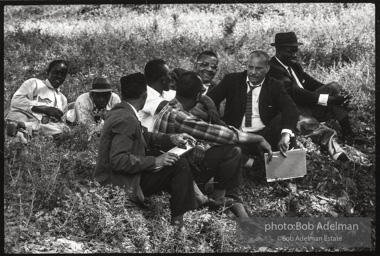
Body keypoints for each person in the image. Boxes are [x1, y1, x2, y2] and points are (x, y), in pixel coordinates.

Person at [154, 71, 273, 220]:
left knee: (223, 150)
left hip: (176, 169)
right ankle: (219, 202)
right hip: (177, 176)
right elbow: (224, 135)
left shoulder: (172, 107)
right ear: (198, 96)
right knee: (232, 151)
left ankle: (222, 200)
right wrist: (258, 138)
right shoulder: (180, 116)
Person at [93, 72, 197, 230]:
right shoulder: (126, 119)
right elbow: (118, 160)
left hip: (115, 177)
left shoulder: (120, 111)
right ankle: (177, 227)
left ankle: (191, 201)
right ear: (144, 96)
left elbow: (143, 135)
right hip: (119, 183)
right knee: (179, 165)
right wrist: (156, 162)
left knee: (164, 154)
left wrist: (171, 139)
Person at [207, 50, 300, 169]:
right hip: (238, 135)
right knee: (223, 150)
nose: (253, 72)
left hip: (265, 134)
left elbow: (291, 109)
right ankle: (258, 166)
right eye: (250, 67)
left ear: (267, 69)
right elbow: (209, 98)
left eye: (258, 68)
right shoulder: (232, 80)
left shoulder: (275, 85)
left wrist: (286, 134)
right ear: (246, 65)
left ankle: (289, 173)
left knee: (286, 123)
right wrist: (211, 109)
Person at [268, 32, 352, 160]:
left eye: (295, 50)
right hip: (293, 110)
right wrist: (328, 99)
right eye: (289, 51)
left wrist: (335, 96)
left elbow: (309, 82)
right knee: (317, 128)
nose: (294, 54)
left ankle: (348, 133)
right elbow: (294, 92)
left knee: (334, 87)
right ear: (278, 51)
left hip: (307, 105)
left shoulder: (294, 65)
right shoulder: (273, 69)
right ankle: (338, 154)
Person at [139, 59, 221, 132]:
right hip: (150, 142)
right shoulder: (145, 95)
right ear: (163, 79)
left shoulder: (166, 93)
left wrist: (212, 109)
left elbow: (201, 97)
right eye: (169, 75)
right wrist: (209, 118)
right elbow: (178, 108)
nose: (171, 78)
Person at [5, 60, 70, 142]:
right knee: (16, 117)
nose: (59, 76)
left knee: (64, 129)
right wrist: (45, 109)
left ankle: (26, 131)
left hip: (42, 127)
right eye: (56, 72)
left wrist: (54, 120)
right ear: (48, 72)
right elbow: (16, 101)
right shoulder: (34, 83)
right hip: (25, 117)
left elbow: (62, 123)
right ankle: (20, 136)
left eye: (63, 74)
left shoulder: (63, 99)